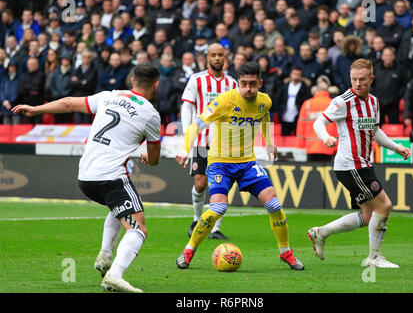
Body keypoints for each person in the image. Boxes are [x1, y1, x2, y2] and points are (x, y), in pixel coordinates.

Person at [11, 63, 161, 293]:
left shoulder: (108, 97)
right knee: (138, 228)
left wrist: (36, 110)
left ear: (132, 81)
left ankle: (104, 257)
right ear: (156, 85)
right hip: (110, 178)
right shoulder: (151, 114)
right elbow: (154, 158)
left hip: (85, 177)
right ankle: (114, 275)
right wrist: (145, 155)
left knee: (122, 205)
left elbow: (69, 102)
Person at [175, 62, 304, 271]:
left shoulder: (265, 101)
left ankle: (285, 252)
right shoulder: (224, 101)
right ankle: (188, 251)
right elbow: (195, 125)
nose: (248, 89)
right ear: (238, 83)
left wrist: (269, 141)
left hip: (247, 163)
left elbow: (264, 116)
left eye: (253, 84)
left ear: (260, 83)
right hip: (220, 163)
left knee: (274, 205)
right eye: (243, 84)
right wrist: (184, 149)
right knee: (218, 207)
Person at [308, 59, 411, 268]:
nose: (357, 84)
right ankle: (374, 258)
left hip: (362, 164)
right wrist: (326, 137)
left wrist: (395, 147)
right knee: (385, 205)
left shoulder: (373, 102)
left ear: (371, 79)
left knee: (368, 216)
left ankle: (321, 233)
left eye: (362, 79)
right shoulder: (342, 101)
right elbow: (319, 121)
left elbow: (375, 131)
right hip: (350, 164)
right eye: (354, 79)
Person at [180, 43, 237, 240]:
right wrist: (187, 132)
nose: (217, 58)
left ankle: (215, 228)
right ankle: (197, 219)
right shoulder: (196, 80)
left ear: (225, 57)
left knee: (221, 184)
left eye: (220, 55)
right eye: (213, 55)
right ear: (207, 58)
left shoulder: (232, 84)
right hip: (201, 140)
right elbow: (187, 107)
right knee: (201, 183)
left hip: (224, 142)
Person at [296, 75, 337, 161]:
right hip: (328, 146)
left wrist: (300, 145)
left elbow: (301, 125)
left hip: (311, 146)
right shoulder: (333, 104)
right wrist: (337, 146)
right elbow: (337, 127)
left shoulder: (307, 104)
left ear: (315, 90)